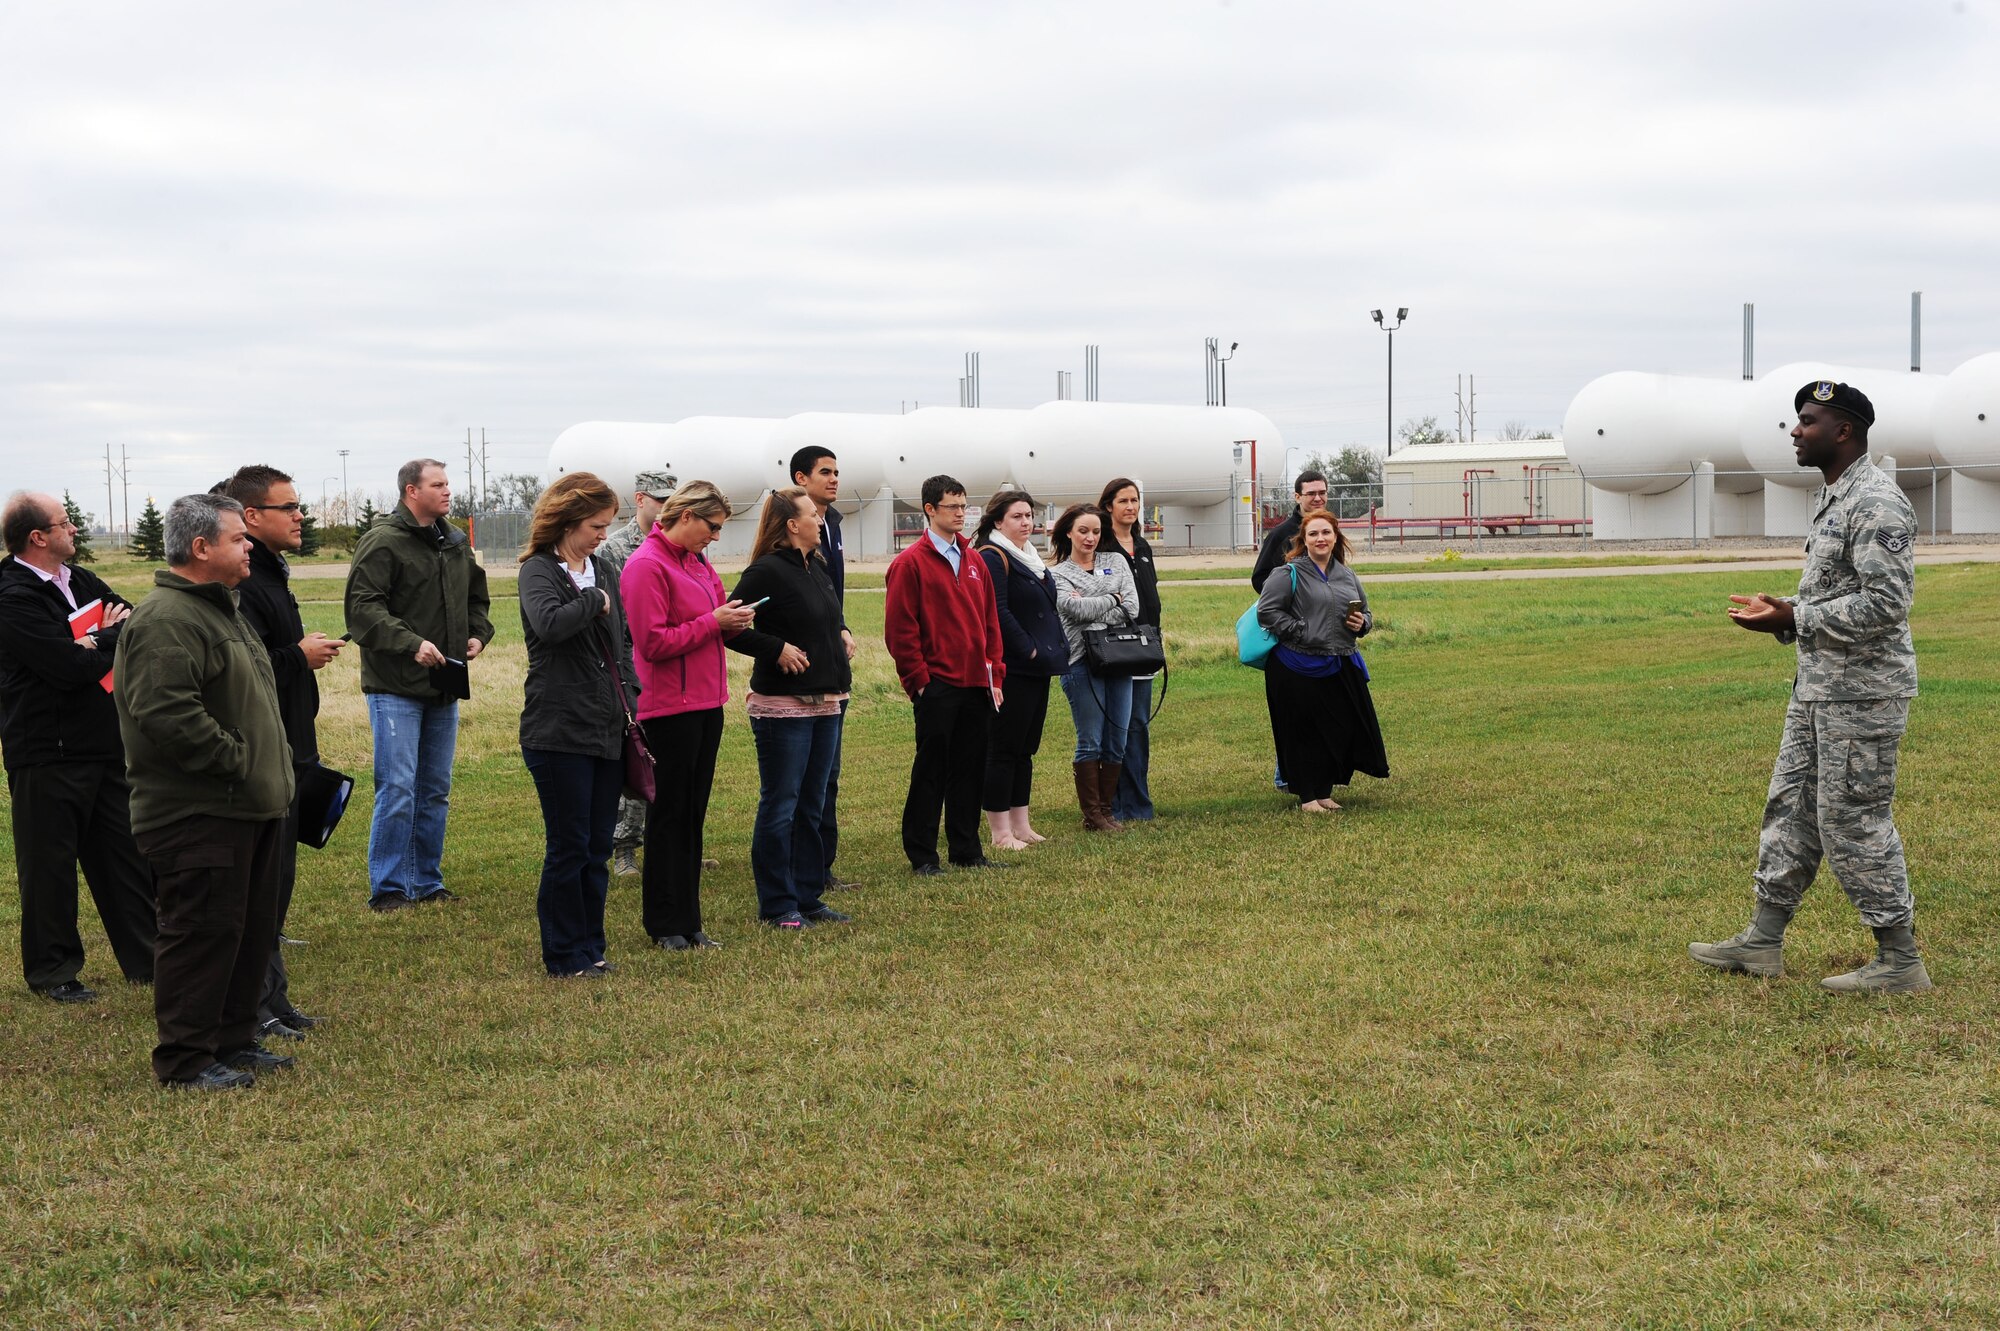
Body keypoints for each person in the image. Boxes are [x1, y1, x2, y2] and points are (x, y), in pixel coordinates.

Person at [1692, 380, 1931, 993]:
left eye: (1807, 421)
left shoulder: (1876, 501)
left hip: (1864, 694)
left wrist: (1796, 616)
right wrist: (1787, 607)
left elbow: (1885, 603)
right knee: (1791, 805)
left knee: (1853, 818)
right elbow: (1836, 592)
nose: (1795, 431)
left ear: (1843, 431)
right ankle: (1762, 941)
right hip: (1819, 686)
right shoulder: (1835, 498)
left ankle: (1900, 960)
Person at [115, 494, 295, 1091]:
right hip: (200, 811)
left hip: (247, 805)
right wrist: (238, 760)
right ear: (200, 548)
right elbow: (165, 713)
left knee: (244, 929)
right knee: (201, 934)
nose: (249, 547)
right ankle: (186, 1060)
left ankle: (234, 1040)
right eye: (238, 538)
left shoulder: (224, 609)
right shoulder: (167, 618)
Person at [0, 491, 156, 1003]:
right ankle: (53, 972)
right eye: (65, 523)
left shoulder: (81, 580)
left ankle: (148, 960)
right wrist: (98, 640)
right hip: (45, 750)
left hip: (103, 742)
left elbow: (132, 621)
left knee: (124, 858)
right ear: (37, 537)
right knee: (50, 868)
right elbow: (64, 669)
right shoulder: (13, 594)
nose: (74, 530)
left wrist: (93, 641)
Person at [222, 466, 341, 1040]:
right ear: (250, 517)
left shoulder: (272, 574)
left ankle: (274, 998)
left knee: (278, 880)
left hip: (293, 741)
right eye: (288, 507)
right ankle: (256, 1004)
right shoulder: (245, 584)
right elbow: (238, 675)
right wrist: (299, 655)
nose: (300, 516)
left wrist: (297, 654)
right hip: (267, 750)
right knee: (260, 884)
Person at [344, 459, 494, 912]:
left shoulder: (454, 541)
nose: (448, 491)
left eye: (448, 483)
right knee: (399, 787)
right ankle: (389, 888)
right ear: (412, 491)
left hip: (444, 684)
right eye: (438, 484)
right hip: (396, 687)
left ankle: (426, 881)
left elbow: (476, 598)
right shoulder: (383, 541)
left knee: (434, 789)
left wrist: (477, 633)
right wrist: (411, 644)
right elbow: (363, 609)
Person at [621, 480, 754, 949]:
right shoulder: (646, 566)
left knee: (692, 815)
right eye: (712, 527)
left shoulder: (697, 563)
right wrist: (712, 624)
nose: (716, 537)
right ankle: (663, 923)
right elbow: (652, 642)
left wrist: (733, 619)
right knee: (669, 817)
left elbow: (713, 616)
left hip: (705, 704)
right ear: (686, 517)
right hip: (667, 710)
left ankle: (689, 920)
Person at [517, 472, 638, 979]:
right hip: (558, 729)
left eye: (607, 526)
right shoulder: (538, 571)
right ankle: (563, 954)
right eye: (595, 525)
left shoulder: (604, 568)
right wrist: (593, 601)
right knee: (567, 846)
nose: (602, 536)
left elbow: (623, 640)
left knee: (595, 846)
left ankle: (592, 946)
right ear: (566, 520)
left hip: (607, 725)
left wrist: (629, 693)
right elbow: (550, 625)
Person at [726, 487, 854, 929]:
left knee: (812, 804)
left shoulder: (814, 566)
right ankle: (778, 905)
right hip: (783, 705)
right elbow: (729, 626)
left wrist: (839, 631)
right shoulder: (766, 571)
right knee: (782, 803)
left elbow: (822, 616)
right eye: (812, 515)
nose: (821, 520)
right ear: (791, 525)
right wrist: (775, 647)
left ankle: (808, 896)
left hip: (827, 700)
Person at [883, 474, 1008, 875]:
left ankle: (967, 850)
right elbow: (900, 629)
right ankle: (922, 855)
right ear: (930, 510)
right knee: (931, 770)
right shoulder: (909, 563)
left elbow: (990, 624)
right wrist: (919, 681)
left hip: (977, 683)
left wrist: (996, 676)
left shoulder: (975, 561)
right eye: (952, 507)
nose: (960, 514)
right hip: (937, 685)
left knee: (970, 769)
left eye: (964, 506)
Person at [1254, 510, 1389, 811]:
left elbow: (1366, 612)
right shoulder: (1288, 572)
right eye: (1313, 534)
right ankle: (1307, 797)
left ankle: (1324, 792)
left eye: (1326, 532)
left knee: (1335, 729)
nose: (1320, 539)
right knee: (1302, 732)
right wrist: (1299, 631)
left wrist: (1362, 623)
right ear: (1303, 539)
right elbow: (1267, 611)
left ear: (1336, 537)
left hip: (1337, 661)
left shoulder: (1346, 574)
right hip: (1295, 664)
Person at [974, 490, 1065, 849]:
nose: (1026, 522)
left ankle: (1021, 825)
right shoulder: (993, 556)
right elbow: (996, 610)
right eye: (1017, 516)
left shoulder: (1031, 557)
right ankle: (1000, 832)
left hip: (1039, 666)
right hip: (1013, 667)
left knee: (1026, 748)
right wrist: (1026, 648)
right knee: (1004, 748)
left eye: (1029, 516)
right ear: (998, 521)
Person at [790, 445, 862, 894]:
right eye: (825, 472)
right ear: (801, 478)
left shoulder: (832, 523)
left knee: (828, 773)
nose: (834, 479)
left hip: (833, 659)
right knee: (805, 775)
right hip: (804, 668)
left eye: (837, 472)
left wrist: (841, 625)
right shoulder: (789, 532)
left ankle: (822, 865)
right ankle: (800, 868)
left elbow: (830, 592)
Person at [598, 469, 676, 879]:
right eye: (660, 500)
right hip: (630, 664)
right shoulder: (614, 549)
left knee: (672, 761)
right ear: (640, 499)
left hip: (669, 663)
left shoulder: (680, 543)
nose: (667, 507)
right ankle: (624, 848)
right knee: (635, 755)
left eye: (672, 500)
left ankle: (675, 845)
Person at [1049, 504, 1139, 833]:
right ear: (1069, 533)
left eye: (1097, 531)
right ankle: (1093, 815)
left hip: (1119, 658)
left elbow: (1132, 605)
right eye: (1083, 531)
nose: (1090, 537)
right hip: (1080, 663)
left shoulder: (1114, 561)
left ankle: (1106, 810)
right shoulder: (1057, 574)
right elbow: (1072, 609)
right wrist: (1111, 598)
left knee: (1117, 737)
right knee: (1091, 739)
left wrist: (1098, 604)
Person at [1099, 477, 1161, 823]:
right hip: (1115, 647)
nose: (1130, 507)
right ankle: (1116, 803)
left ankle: (1139, 800)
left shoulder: (1143, 545)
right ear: (1109, 505)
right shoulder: (1102, 546)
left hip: (1145, 645)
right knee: (1118, 726)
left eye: (1135, 500)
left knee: (1139, 724)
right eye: (1123, 501)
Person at [1250, 469, 1330, 593]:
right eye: (1311, 494)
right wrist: (1292, 595)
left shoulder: (1331, 531)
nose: (1318, 498)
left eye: (1322, 493)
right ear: (1298, 497)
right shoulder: (1280, 535)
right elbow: (1260, 579)